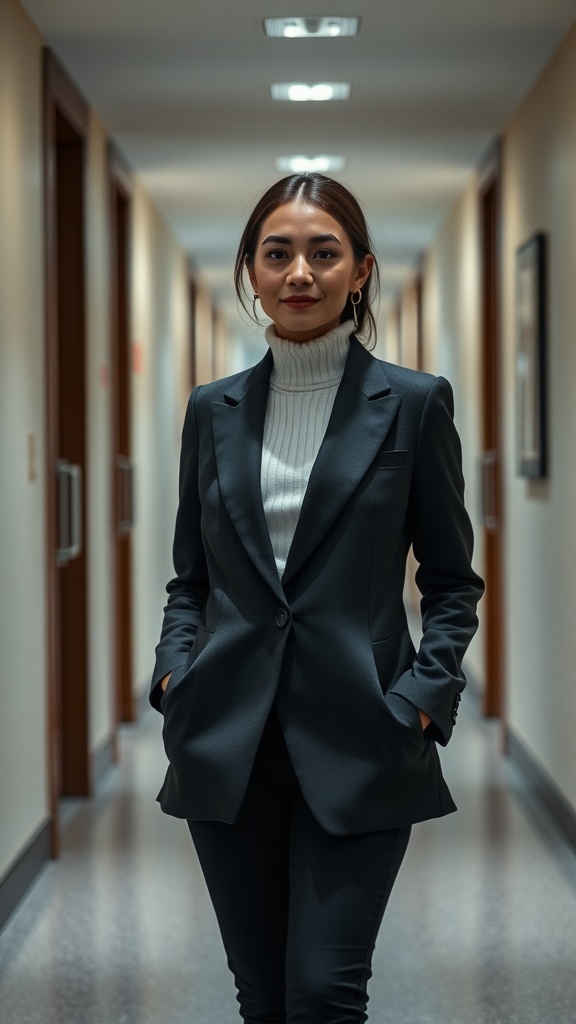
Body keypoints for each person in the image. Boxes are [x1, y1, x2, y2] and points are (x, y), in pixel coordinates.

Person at [150, 172, 484, 1024]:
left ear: (361, 270)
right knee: (261, 997)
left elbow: (452, 582)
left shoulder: (412, 405)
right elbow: (191, 578)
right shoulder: (211, 411)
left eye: (323, 253)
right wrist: (173, 675)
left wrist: (421, 696)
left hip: (364, 733)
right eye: (278, 253)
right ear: (252, 272)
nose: (300, 271)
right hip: (227, 736)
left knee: (325, 992)